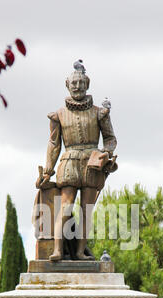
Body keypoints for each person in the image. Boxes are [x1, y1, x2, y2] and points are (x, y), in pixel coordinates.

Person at [40, 65, 117, 261]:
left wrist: (106, 154)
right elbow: (53, 144)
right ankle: (57, 250)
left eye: (81, 83)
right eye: (73, 83)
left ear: (87, 84)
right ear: (67, 85)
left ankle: (80, 252)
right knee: (65, 207)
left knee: (86, 210)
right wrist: (48, 170)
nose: (77, 86)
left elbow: (110, 138)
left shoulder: (100, 113)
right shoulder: (58, 115)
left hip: (92, 164)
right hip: (69, 162)